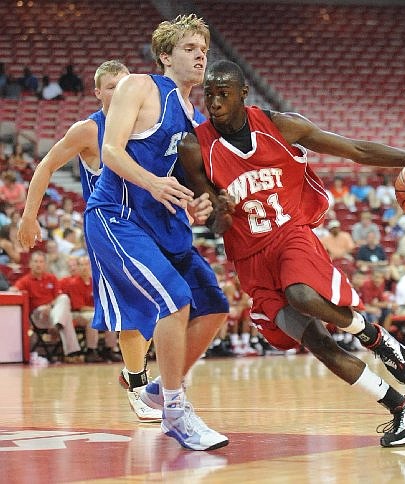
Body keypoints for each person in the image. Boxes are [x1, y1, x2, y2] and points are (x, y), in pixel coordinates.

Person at [178, 59, 405, 447]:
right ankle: (403, 410)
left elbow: (356, 150)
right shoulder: (196, 147)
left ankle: (373, 335)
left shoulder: (282, 125)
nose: (214, 101)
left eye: (223, 92)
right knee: (321, 347)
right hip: (250, 260)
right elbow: (216, 225)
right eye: (208, 93)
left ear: (243, 93)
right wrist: (221, 213)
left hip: (290, 236)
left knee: (302, 294)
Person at [85, 16, 230, 451]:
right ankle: (175, 407)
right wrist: (152, 183)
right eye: (189, 48)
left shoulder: (197, 118)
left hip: (165, 223)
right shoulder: (140, 87)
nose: (200, 54)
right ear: (166, 55)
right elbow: (111, 150)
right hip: (118, 216)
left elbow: (189, 183)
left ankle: (155, 391)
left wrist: (199, 201)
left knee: (214, 307)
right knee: (174, 298)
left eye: (203, 48)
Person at [16, 61, 161, 421]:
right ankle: (139, 386)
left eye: (125, 84)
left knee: (161, 307)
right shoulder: (88, 130)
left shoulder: (144, 126)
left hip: (144, 227)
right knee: (135, 307)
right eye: (111, 86)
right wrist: (29, 215)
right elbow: (46, 165)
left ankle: (133, 374)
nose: (119, 91)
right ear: (97, 93)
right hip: (110, 231)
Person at [11, 251, 83, 362]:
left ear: (45, 264)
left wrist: (49, 306)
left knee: (64, 298)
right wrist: (13, 290)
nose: (38, 264)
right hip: (38, 315)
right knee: (66, 316)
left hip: (52, 313)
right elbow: (13, 290)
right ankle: (72, 352)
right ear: (30, 264)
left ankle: (58, 327)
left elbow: (58, 298)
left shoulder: (52, 278)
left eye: (41, 262)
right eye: (35, 262)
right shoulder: (25, 281)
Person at [60, 255, 122, 362]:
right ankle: (91, 350)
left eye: (86, 264)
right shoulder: (73, 283)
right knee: (94, 319)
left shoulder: (96, 281)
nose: (84, 267)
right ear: (78, 267)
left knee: (109, 317)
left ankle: (110, 349)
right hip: (77, 314)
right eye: (81, 265)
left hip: (94, 311)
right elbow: (79, 307)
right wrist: (98, 311)